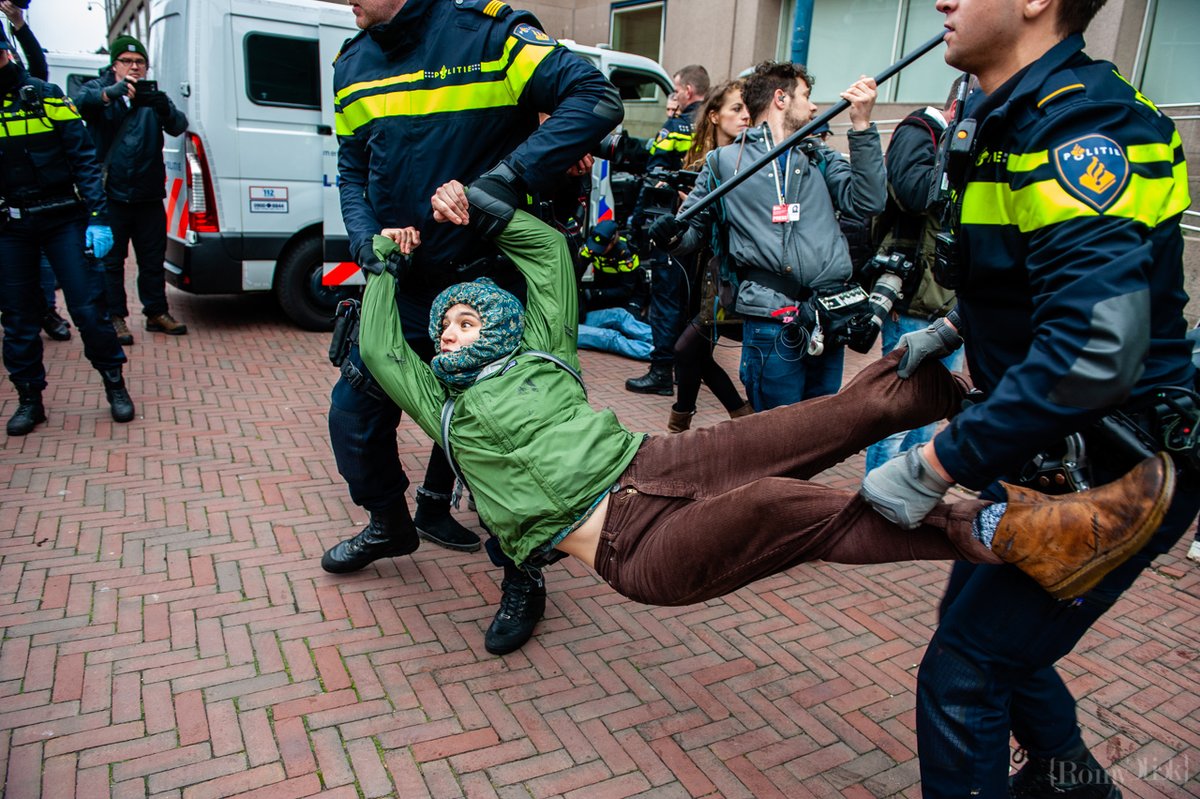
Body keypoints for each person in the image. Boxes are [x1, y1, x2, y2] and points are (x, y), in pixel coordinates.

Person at [357, 184, 1175, 617]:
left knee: (829, 416)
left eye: (467, 319)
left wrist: (480, 209)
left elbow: (546, 258)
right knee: (784, 506)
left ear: (501, 324)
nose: (451, 333)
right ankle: (1019, 531)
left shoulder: (542, 347)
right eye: (445, 327)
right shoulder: (444, 405)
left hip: (657, 460)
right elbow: (384, 350)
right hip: (633, 546)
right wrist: (386, 266)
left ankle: (982, 397)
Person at [859, 0, 1200, 795]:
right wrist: (953, 327)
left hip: (1124, 470)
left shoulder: (1087, 128)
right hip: (1054, 451)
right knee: (981, 640)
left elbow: (1094, 352)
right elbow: (1027, 273)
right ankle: (1069, 779)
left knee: (966, 672)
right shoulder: (1005, 116)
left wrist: (937, 463)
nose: (942, 1)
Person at [320, 0, 623, 657]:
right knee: (352, 417)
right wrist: (367, 239)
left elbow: (595, 98)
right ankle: (390, 523)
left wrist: (505, 181)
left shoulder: (487, 34)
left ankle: (522, 574)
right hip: (403, 283)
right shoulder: (352, 62)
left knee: (502, 446)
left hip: (483, 289)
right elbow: (351, 168)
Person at [655, 62, 887, 411]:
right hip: (770, 320)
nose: (813, 107)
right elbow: (692, 233)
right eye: (806, 96)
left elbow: (869, 201)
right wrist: (670, 236)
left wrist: (862, 127)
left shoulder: (818, 156)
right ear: (781, 98)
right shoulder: (724, 163)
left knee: (822, 429)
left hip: (826, 318)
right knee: (776, 430)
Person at [0, 38, 134, 435]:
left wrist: (97, 217)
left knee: (89, 309)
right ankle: (30, 400)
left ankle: (114, 383)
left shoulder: (45, 95)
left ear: (5, 51)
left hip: (63, 219)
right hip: (11, 226)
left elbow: (84, 159)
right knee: (18, 317)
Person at [862, 77, 967, 474]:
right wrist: (958, 152)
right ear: (957, 110)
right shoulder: (919, 131)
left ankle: (903, 493)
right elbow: (915, 193)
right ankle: (875, 499)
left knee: (926, 418)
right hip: (913, 303)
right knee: (896, 418)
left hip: (951, 306)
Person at [76, 35, 189, 344]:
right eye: (127, 61)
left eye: (140, 62)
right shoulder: (98, 90)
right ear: (115, 65)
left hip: (148, 194)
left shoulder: (152, 96)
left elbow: (179, 125)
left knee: (152, 260)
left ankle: (156, 313)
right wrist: (110, 95)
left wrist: (165, 109)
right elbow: (81, 104)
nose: (135, 67)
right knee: (111, 262)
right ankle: (115, 317)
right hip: (111, 195)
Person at [666, 79, 752, 433]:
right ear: (714, 116)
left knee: (688, 350)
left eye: (748, 109)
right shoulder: (704, 160)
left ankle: (682, 428)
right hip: (698, 269)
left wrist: (702, 208)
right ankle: (734, 418)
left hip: (728, 275)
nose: (745, 116)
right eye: (736, 109)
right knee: (695, 354)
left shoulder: (749, 160)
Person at [624, 64, 709, 396]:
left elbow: (655, 177)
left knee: (665, 301)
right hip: (702, 230)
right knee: (692, 302)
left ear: (687, 90)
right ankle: (688, 367)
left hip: (672, 225)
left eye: (676, 89)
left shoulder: (676, 126)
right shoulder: (711, 124)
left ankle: (661, 370)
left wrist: (636, 225)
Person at [0, 4, 71, 342]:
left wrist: (18, 23)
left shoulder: (20, 76)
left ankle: (45, 311)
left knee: (40, 262)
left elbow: (38, 70)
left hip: (32, 192)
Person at [576, 219, 653, 361]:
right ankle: (659, 355)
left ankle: (665, 344)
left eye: (602, 247)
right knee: (611, 336)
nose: (598, 250)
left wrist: (594, 294)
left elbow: (626, 290)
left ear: (613, 241)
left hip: (626, 294)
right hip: (565, 326)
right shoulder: (591, 246)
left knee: (621, 316)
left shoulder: (625, 252)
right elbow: (576, 274)